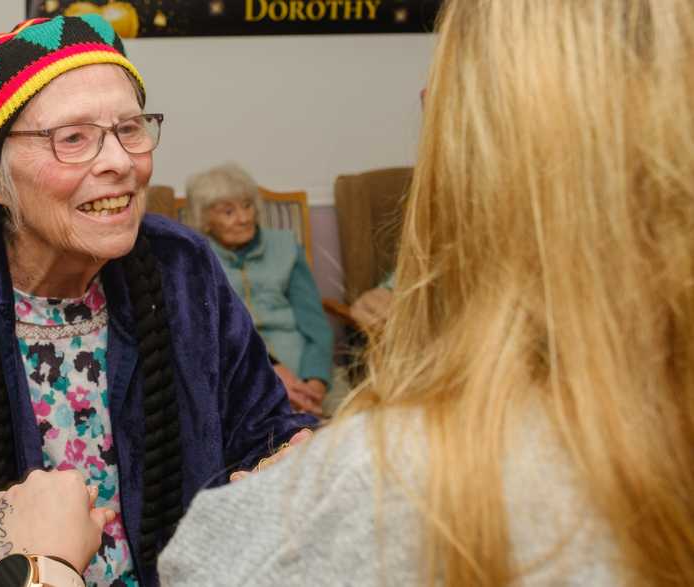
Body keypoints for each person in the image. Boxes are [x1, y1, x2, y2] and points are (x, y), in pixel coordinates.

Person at [157, 0, 694, 584]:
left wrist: (44, 568)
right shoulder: (198, 264)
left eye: (443, 83)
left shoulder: (377, 482)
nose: (421, 97)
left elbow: (314, 323)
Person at [0, 15, 315, 587]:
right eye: (72, 138)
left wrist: (291, 458)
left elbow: (263, 427)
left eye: (130, 128)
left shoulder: (183, 266)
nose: (120, 161)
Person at [185, 162, 333, 416]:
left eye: (247, 205)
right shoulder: (194, 259)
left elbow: (315, 324)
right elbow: (205, 335)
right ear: (205, 220)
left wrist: (316, 381)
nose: (244, 218)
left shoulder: (285, 246)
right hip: (237, 373)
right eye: (228, 212)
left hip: (301, 368)